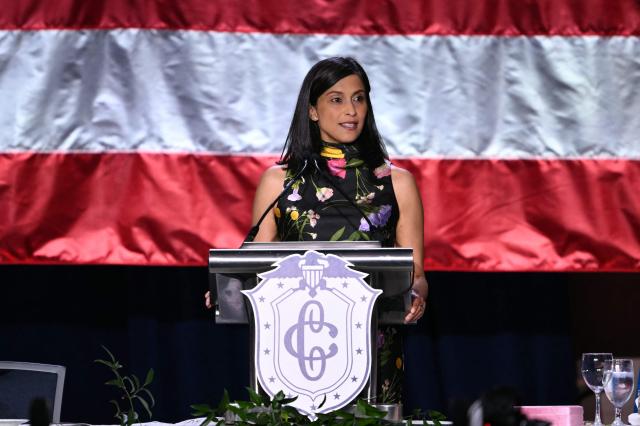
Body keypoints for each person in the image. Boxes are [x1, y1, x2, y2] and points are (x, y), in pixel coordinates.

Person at [206, 56, 428, 401]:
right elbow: (259, 261)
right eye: (336, 100)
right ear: (312, 111)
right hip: (292, 349)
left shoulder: (396, 183)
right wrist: (229, 283)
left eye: (359, 98)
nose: (351, 110)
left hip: (372, 345)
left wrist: (418, 295)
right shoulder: (279, 181)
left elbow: (415, 274)